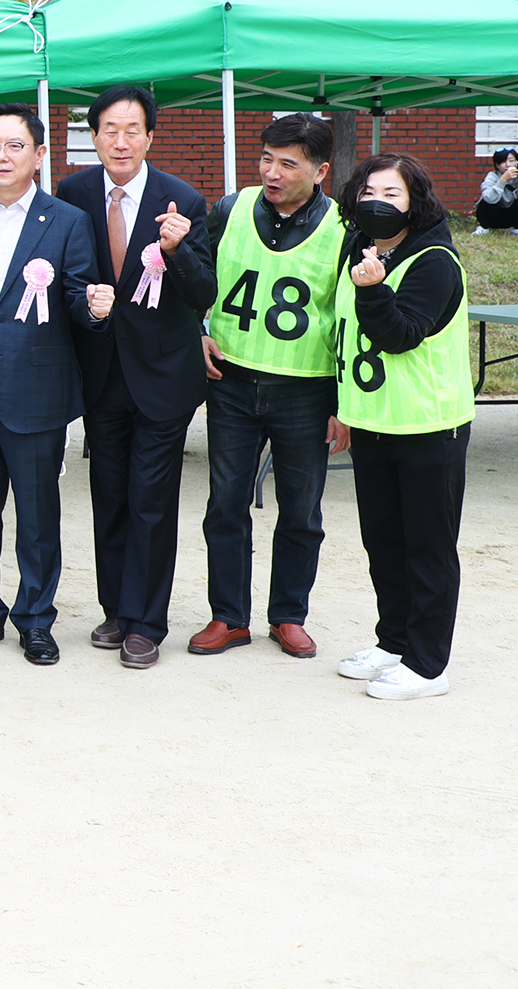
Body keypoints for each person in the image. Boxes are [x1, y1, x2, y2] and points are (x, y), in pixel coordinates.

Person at [57, 85, 216, 670]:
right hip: (101, 372)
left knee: (152, 498)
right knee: (110, 496)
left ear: (151, 136)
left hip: (163, 377)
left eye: (132, 130)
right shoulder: (71, 193)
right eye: (108, 130)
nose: (120, 141)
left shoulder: (184, 200)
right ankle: (117, 609)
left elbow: (204, 291)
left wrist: (178, 251)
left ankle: (147, 623)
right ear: (93, 135)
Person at [0, 106, 110, 665]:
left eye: (15, 146)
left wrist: (92, 308)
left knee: (38, 520)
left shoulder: (65, 220)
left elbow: (75, 297)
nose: (1, 156)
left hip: (37, 395)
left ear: (39, 156)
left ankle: (36, 620)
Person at [194, 113, 348, 660]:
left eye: (288, 163)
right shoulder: (229, 210)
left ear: (321, 170)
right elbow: (192, 275)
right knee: (226, 504)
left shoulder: (343, 229)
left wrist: (344, 403)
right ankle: (228, 616)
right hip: (232, 382)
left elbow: (349, 319)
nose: (272, 172)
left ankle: (288, 614)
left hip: (306, 390)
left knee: (301, 510)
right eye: (266, 158)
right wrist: (198, 331)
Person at [333, 153, 473, 701]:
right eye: (369, 191)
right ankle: (393, 641)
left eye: (391, 194)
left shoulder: (435, 261)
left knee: (428, 547)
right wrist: (340, 407)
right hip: (373, 422)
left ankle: (428, 664)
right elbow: (343, 333)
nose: (377, 203)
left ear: (416, 200)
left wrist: (372, 290)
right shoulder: (359, 246)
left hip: (428, 427)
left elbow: (401, 334)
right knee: (384, 541)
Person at [473, 149, 518, 234]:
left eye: (511, 161)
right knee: (486, 200)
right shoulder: (492, 177)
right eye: (503, 162)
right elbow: (489, 199)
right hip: (494, 215)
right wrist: (503, 180)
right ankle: (484, 228)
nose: (508, 165)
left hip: (512, 215)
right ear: (497, 165)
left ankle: (516, 228)